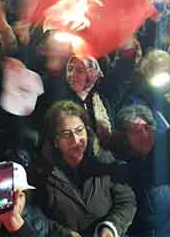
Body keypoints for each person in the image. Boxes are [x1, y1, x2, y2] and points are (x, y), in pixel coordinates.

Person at [36, 101, 137, 237]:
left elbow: (126, 201)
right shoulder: (42, 173)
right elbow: (34, 215)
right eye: (66, 134)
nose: (76, 140)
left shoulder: (105, 161)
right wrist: (61, 233)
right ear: (55, 140)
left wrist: (112, 226)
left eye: (79, 130)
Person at [113, 104, 170, 237]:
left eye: (147, 128)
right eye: (136, 131)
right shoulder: (119, 169)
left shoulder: (169, 158)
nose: (144, 135)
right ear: (123, 137)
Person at [0, 161, 50, 236]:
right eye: (8, 195)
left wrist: (17, 226)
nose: (16, 201)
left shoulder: (40, 223)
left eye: (20, 195)